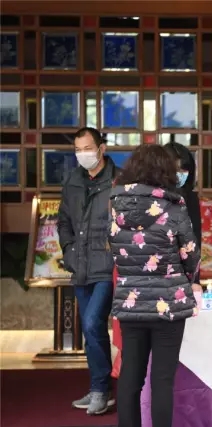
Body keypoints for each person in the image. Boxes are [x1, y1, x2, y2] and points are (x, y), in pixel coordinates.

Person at [109, 144, 200, 427]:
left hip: (130, 301)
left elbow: (112, 249)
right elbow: (190, 253)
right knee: (162, 379)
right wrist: (181, 276)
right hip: (169, 302)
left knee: (131, 377)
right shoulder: (174, 206)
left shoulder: (116, 206)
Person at [58, 127, 119, 415]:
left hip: (107, 266)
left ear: (102, 148)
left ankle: (101, 389)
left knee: (94, 323)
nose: (83, 154)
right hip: (79, 265)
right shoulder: (72, 180)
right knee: (91, 329)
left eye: (88, 148)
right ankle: (101, 387)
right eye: (78, 149)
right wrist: (68, 249)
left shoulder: (118, 180)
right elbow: (63, 220)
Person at [163, 142, 202, 250]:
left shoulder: (191, 198)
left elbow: (195, 236)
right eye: (174, 170)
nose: (179, 174)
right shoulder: (152, 195)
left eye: (183, 170)